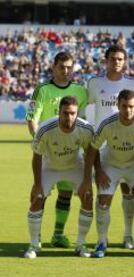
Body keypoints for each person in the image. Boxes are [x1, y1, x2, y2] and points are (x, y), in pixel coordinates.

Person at [79, 89, 134, 258]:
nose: (128, 110)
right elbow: (93, 149)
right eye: (124, 106)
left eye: (131, 107)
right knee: (103, 201)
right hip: (110, 164)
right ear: (118, 105)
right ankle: (101, 242)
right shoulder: (107, 123)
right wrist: (98, 172)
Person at [25, 52, 87, 248]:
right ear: (53, 67)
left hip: (70, 152)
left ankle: (58, 234)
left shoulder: (81, 91)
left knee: (66, 194)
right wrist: (40, 144)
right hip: (47, 152)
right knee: (39, 195)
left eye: (69, 67)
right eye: (62, 67)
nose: (66, 71)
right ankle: (37, 236)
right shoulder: (42, 90)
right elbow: (31, 118)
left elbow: (83, 121)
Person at [24, 96, 94, 259]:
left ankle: (81, 244)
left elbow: (90, 153)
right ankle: (34, 245)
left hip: (74, 166)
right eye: (65, 113)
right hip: (51, 167)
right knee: (36, 198)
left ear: (77, 113)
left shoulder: (86, 129)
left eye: (72, 113)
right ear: (59, 112)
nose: (69, 117)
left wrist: (87, 181)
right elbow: (37, 156)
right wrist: (37, 184)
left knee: (88, 197)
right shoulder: (45, 129)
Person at [87, 45, 134, 249]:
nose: (116, 62)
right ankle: (103, 238)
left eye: (120, 59)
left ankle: (128, 235)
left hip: (128, 147)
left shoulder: (133, 83)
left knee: (128, 192)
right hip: (103, 149)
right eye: (113, 58)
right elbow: (87, 108)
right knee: (103, 196)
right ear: (106, 60)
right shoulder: (94, 83)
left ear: (124, 61)